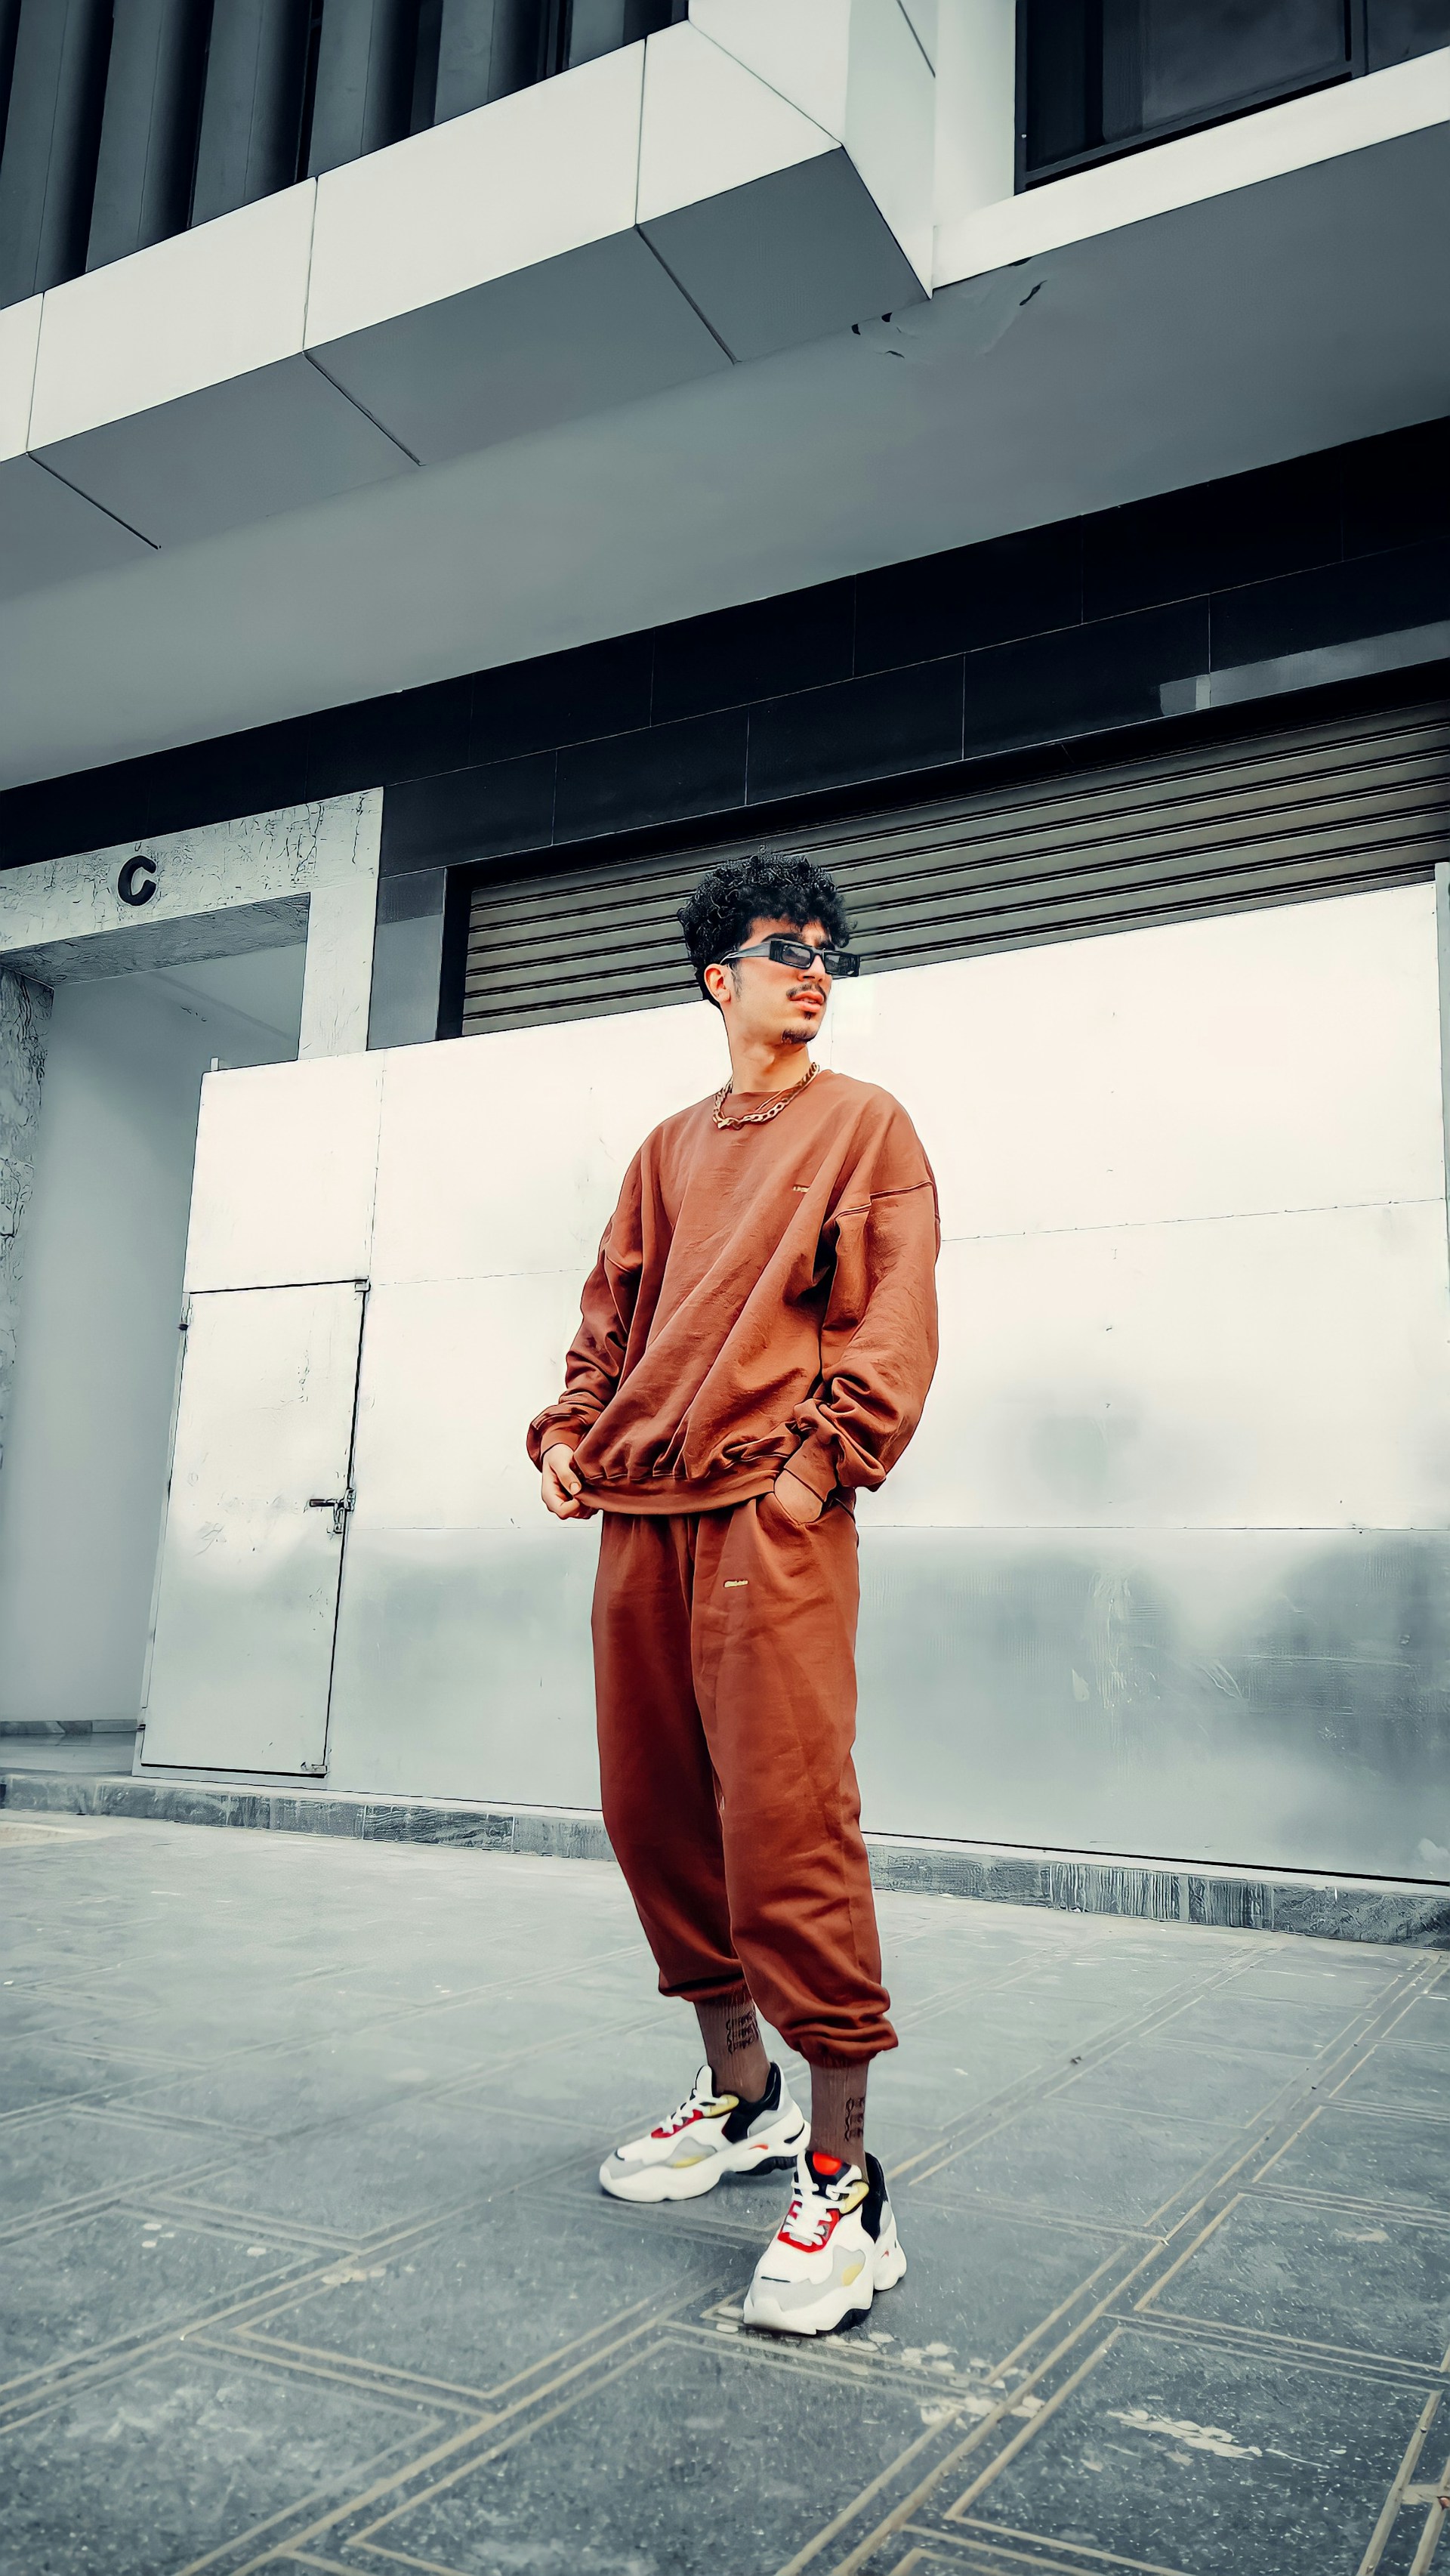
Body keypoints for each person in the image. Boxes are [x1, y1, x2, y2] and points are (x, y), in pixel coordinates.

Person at [527, 850, 939, 2336]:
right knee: (653, 1812)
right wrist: (568, 1434)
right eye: (786, 947)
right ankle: (739, 2092)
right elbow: (610, 1313)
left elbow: (893, 1322)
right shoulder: (665, 1150)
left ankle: (844, 2176)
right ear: (721, 977)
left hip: (771, 1515)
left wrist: (816, 1476)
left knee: (786, 1819)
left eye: (831, 950)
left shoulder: (866, 1124)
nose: (816, 969)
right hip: (640, 1520)